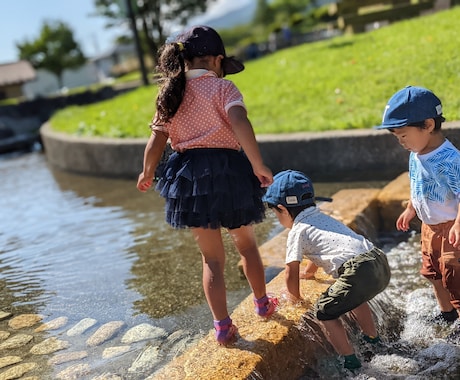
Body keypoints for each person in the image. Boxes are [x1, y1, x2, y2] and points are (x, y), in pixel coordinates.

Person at [136, 25, 278, 345]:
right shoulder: (223, 89)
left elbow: (156, 141)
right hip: (229, 172)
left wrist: (147, 172)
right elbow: (240, 121)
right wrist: (257, 163)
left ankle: (222, 326)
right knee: (247, 246)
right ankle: (262, 304)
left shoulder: (170, 95)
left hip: (188, 179)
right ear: (216, 60)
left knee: (212, 259)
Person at [263, 170, 391, 370]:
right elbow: (320, 250)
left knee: (325, 311)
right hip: (378, 260)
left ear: (283, 209)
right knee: (356, 297)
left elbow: (291, 271)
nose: (278, 219)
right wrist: (310, 272)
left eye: (275, 213)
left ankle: (350, 362)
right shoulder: (323, 218)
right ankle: (373, 340)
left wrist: (295, 298)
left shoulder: (298, 230)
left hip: (358, 269)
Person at [376, 85, 460, 323]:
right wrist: (411, 208)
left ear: (429, 125)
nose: (401, 142)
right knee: (433, 272)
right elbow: (417, 185)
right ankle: (447, 314)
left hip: (451, 229)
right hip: (429, 227)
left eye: (403, 135)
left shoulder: (450, 160)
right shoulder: (416, 153)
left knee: (454, 276)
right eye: (397, 137)